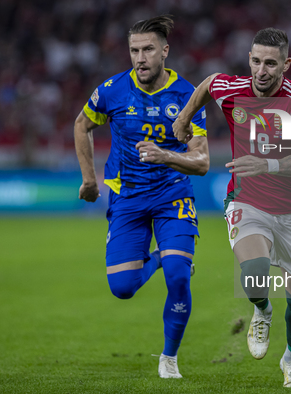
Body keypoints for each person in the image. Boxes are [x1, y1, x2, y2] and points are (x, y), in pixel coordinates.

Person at [173, 27, 291, 388]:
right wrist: (184, 116)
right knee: (254, 273)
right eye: (256, 61)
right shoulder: (233, 89)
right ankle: (262, 310)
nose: (262, 70)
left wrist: (266, 164)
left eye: (271, 63)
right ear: (249, 60)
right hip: (247, 201)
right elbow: (209, 84)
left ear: (286, 64)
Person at [73, 15, 209, 379]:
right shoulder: (113, 90)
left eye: (148, 49)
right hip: (127, 198)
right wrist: (89, 179)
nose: (140, 58)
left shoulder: (187, 96)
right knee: (123, 288)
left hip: (172, 195)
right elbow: (82, 124)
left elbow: (202, 162)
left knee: (179, 276)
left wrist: (167, 156)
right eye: (134, 50)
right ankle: (164, 257)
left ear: (165, 51)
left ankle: (169, 358)